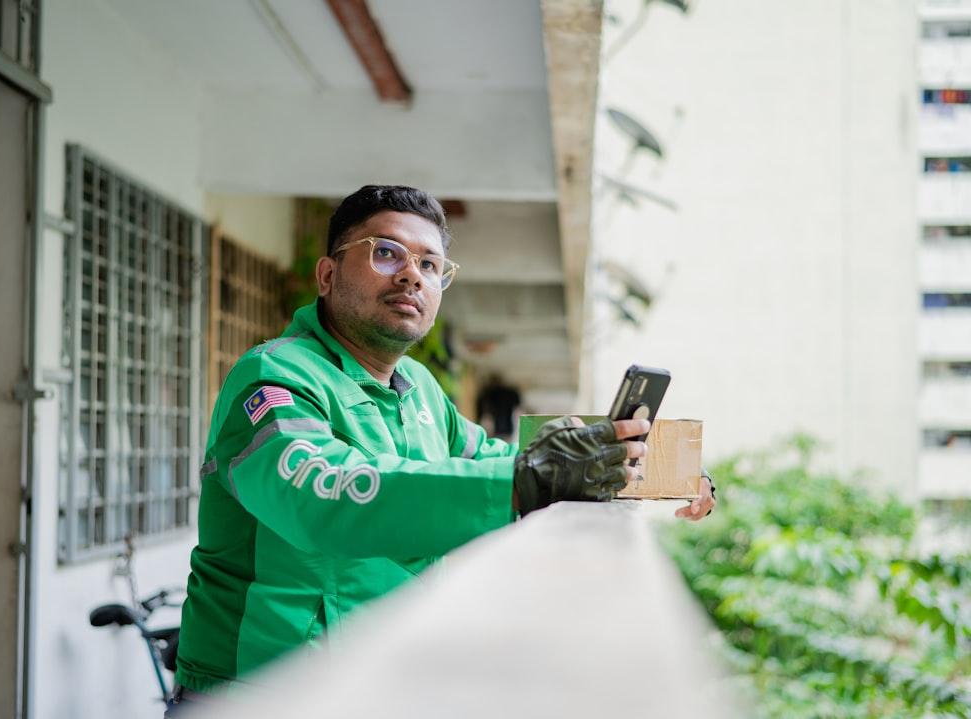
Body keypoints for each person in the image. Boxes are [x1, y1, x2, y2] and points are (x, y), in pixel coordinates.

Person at [168, 185, 716, 713]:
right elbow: (325, 495)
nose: (411, 274)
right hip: (256, 693)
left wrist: (661, 466)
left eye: (430, 265)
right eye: (386, 253)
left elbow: (496, 459)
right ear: (328, 275)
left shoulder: (419, 388)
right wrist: (532, 478)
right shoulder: (273, 377)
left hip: (374, 681)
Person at [477, 373, 522, 440]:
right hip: (506, 428)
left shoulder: (491, 392)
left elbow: (483, 406)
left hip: (497, 428)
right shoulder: (509, 392)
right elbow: (518, 403)